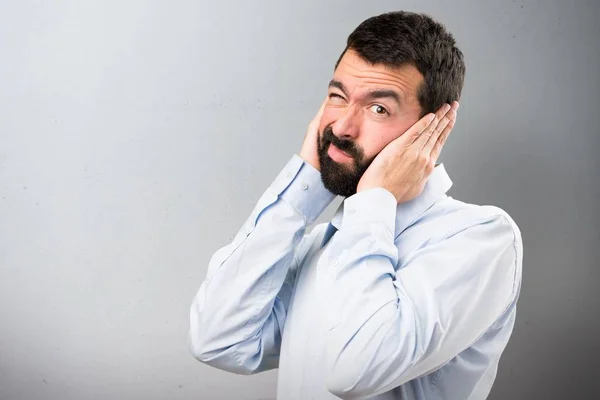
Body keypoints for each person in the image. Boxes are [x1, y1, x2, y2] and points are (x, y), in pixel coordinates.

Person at [189, 10, 523, 400]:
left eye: (378, 108)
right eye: (337, 97)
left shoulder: (481, 241)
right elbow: (218, 340)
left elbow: (355, 372)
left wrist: (374, 201)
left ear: (431, 130)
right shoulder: (324, 244)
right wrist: (305, 190)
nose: (343, 127)